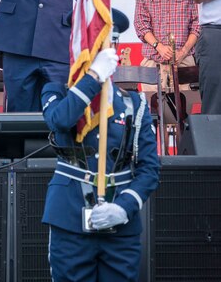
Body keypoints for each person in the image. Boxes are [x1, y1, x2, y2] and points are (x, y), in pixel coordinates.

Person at [41, 47, 160, 282]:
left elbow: (149, 169)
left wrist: (124, 207)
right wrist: (93, 77)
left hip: (120, 228)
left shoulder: (134, 103)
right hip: (70, 218)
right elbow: (61, 120)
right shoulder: (56, 91)